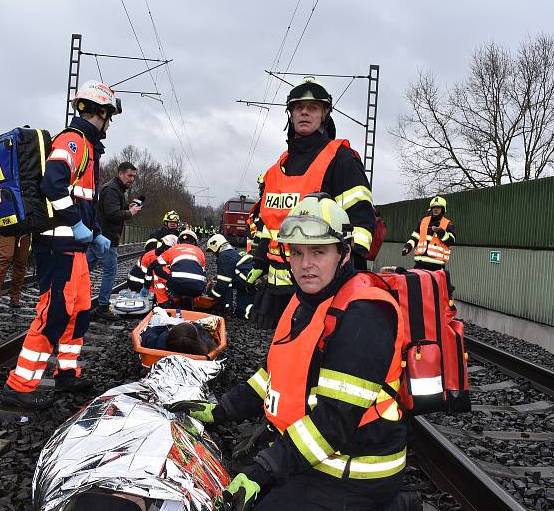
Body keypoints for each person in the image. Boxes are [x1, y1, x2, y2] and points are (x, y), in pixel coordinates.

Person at [169, 194, 406, 510]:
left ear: (344, 253)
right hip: (309, 456)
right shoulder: (304, 301)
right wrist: (218, 410)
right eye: (297, 253)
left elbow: (333, 423)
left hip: (352, 472)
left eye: (318, 252)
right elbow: (272, 378)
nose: (305, 265)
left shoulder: (364, 313)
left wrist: (264, 470)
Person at [0, 80, 121, 410]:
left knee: (80, 312)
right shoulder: (73, 141)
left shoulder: (88, 147)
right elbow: (52, 183)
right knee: (54, 313)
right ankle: (19, 386)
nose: (109, 123)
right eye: (108, 115)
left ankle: (67, 373)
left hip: (74, 247)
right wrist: (76, 223)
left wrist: (93, 231)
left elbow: (84, 198)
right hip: (58, 245)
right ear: (99, 112)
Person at [248, 77, 376, 330]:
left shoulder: (341, 160)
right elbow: (268, 226)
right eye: (298, 107)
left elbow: (361, 226)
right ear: (291, 114)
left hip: (321, 293)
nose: (304, 112)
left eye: (313, 107)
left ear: (324, 115)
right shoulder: (276, 170)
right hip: (278, 290)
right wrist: (260, 262)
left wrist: (344, 276)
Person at [89, 161, 142, 320]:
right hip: (106, 238)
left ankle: (72, 297)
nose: (132, 179)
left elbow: (112, 208)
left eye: (134, 176)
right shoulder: (112, 189)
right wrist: (130, 212)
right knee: (110, 271)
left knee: (84, 267)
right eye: (129, 175)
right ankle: (102, 306)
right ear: (120, 173)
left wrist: (127, 206)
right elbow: (112, 214)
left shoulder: (116, 188)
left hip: (102, 237)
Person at [0, 211, 30, 308]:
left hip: (25, 228)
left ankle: (15, 296)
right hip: (7, 226)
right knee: (5, 258)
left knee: (21, 263)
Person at [150, 230, 206, 308]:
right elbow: (202, 271)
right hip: (198, 288)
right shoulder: (200, 252)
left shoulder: (173, 249)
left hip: (177, 285)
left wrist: (146, 285)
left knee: (157, 270)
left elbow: (155, 264)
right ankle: (194, 298)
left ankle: (163, 302)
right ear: (194, 243)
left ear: (179, 241)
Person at [402, 196, 456, 271]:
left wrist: (441, 232)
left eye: (438, 207)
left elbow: (451, 241)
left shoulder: (448, 223)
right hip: (420, 264)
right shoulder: (423, 221)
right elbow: (415, 237)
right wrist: (408, 246)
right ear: (431, 209)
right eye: (434, 207)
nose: (436, 209)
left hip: (436, 266)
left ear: (443, 209)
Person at [206, 234, 254, 318]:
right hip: (252, 282)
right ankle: (243, 312)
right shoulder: (235, 252)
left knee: (226, 282)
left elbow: (222, 283)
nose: (213, 254)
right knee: (242, 312)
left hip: (246, 282)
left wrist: (211, 296)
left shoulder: (224, 256)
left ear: (216, 246)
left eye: (212, 251)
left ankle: (226, 307)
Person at [140, 321, 217, 355]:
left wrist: (167, 329)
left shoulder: (154, 343)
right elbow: (202, 331)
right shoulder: (206, 349)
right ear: (196, 338)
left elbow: (148, 332)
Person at [148, 234, 179, 306]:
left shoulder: (163, 254)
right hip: (148, 287)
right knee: (158, 271)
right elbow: (150, 270)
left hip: (155, 290)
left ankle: (165, 301)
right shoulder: (154, 257)